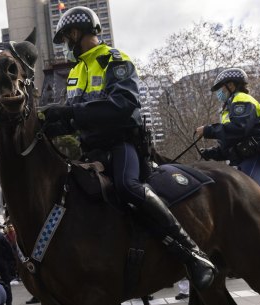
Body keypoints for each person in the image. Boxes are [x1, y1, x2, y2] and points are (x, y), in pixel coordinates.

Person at [43, 6, 215, 289]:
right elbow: (73, 117)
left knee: (126, 186)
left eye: (66, 38)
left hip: (121, 146)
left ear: (77, 33)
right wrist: (48, 122)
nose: (66, 45)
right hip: (91, 151)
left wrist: (69, 113)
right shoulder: (75, 72)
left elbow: (123, 105)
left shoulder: (114, 60)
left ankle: (192, 254)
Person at [196, 68, 260, 185]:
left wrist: (207, 130)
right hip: (243, 159)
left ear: (230, 85)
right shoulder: (229, 107)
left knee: (245, 193)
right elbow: (232, 144)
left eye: (220, 87)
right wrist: (210, 153)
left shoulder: (241, 98)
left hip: (256, 158)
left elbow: (238, 129)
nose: (219, 92)